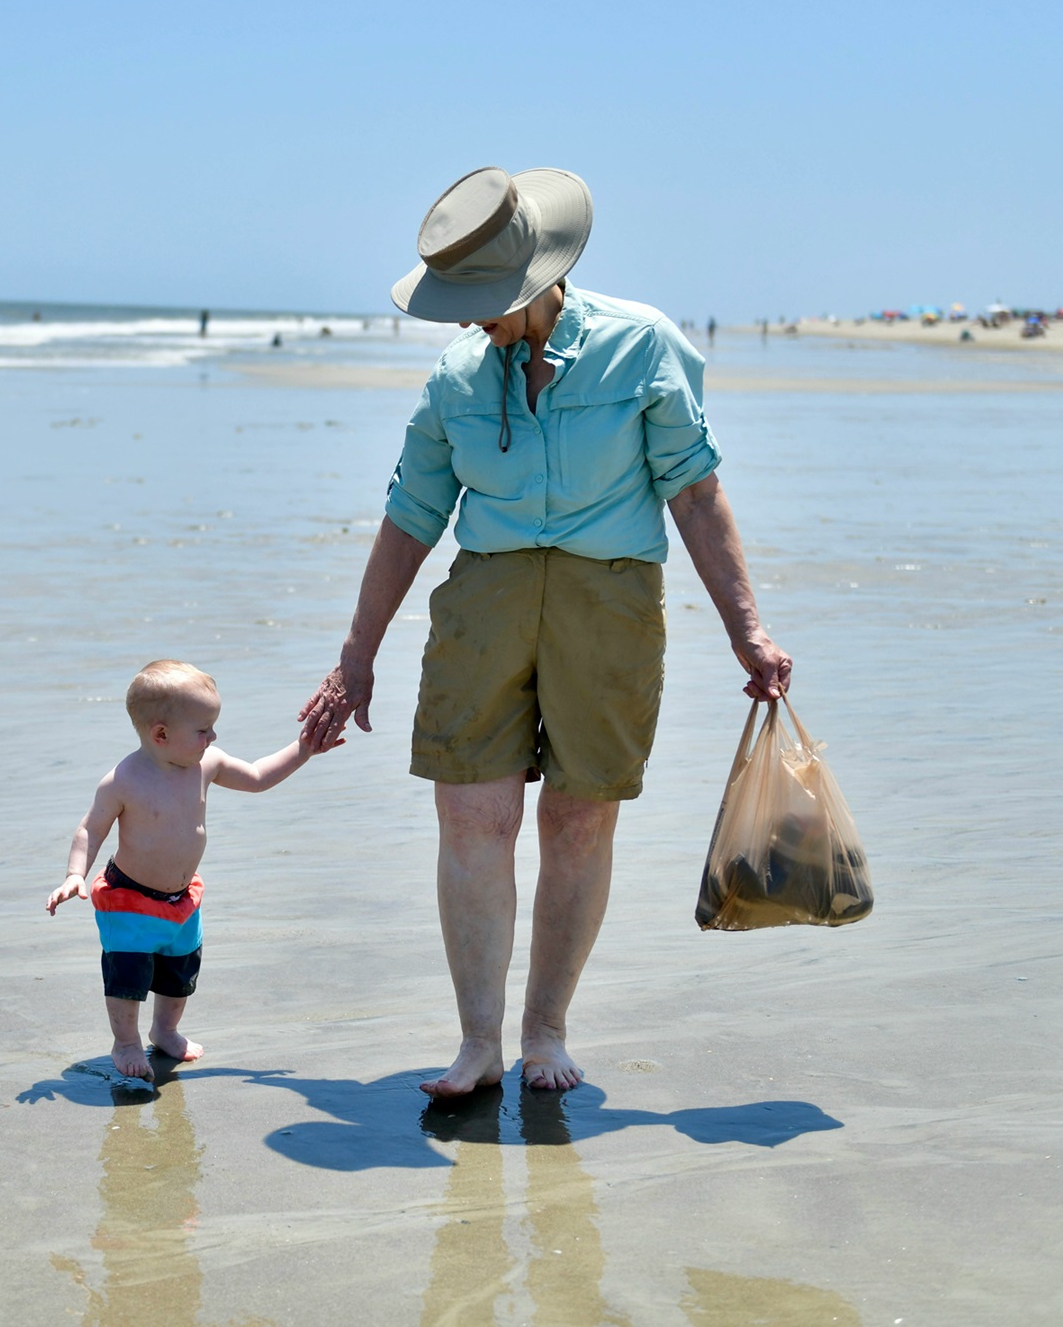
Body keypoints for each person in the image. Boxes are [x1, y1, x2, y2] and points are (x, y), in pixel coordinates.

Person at [299, 167, 790, 1096]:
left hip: (606, 604)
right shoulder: (455, 378)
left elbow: (695, 490)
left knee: (577, 817)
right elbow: (410, 517)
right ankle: (478, 1040)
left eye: (479, 302)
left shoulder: (642, 346)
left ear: (534, 281)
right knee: (470, 813)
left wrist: (748, 630)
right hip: (485, 600)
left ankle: (545, 1030)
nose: (464, 322)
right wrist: (353, 658)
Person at [48, 660, 339, 1080]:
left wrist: (304, 750)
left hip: (181, 899)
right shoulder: (123, 780)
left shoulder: (208, 763)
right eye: (203, 729)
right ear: (161, 734)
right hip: (129, 898)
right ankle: (126, 1042)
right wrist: (75, 873)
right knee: (126, 977)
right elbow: (90, 829)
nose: (213, 736)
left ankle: (165, 1032)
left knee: (179, 972)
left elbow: (257, 777)